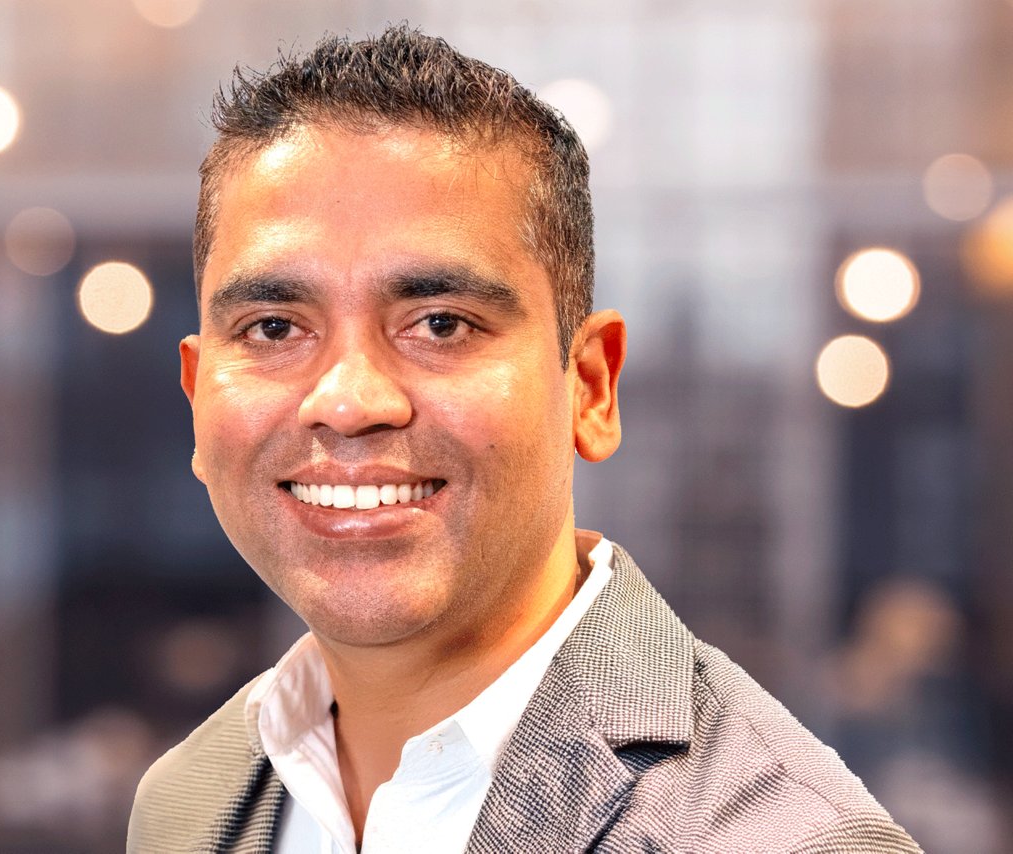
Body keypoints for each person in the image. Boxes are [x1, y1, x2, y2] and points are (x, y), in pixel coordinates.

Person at [128, 26, 918, 853]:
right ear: (196, 395)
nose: (349, 402)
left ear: (591, 387)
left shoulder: (788, 839)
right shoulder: (186, 802)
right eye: (273, 327)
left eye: (441, 323)